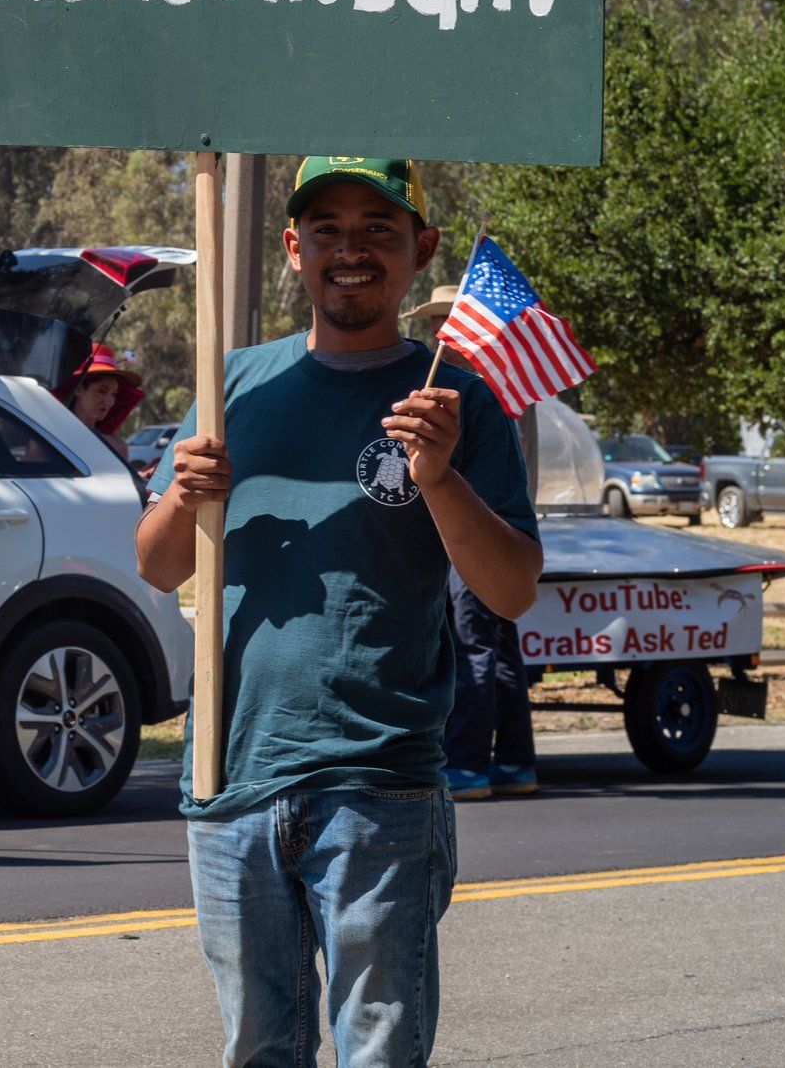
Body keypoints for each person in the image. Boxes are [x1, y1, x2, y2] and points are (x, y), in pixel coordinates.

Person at [135, 157, 542, 1068]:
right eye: (328, 228)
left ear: (419, 249)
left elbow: (511, 587)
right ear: (293, 248)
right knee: (258, 1050)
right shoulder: (234, 381)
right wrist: (180, 498)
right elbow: (158, 563)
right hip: (230, 780)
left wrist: (438, 478)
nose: (350, 249)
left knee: (379, 1052)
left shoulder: (458, 400)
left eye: (378, 229)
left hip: (380, 787)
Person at [402, 287, 541, 802]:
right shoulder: (504, 390)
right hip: (501, 530)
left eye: (448, 323)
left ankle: (467, 762)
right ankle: (514, 761)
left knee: (472, 644)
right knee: (500, 648)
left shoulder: (480, 394)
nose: (442, 335)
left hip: (477, 532)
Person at [57, 342, 145, 468]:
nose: (109, 402)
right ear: (79, 389)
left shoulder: (117, 447)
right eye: (102, 391)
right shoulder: (48, 438)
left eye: (114, 394)